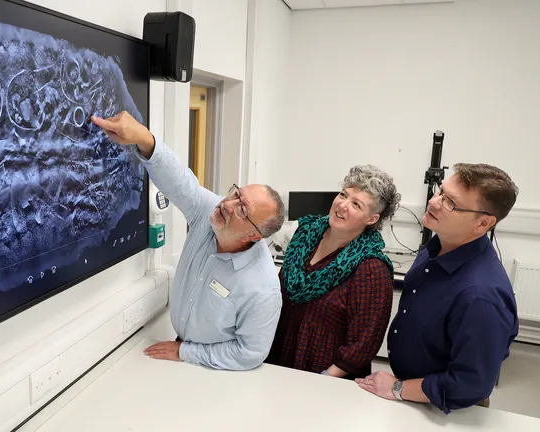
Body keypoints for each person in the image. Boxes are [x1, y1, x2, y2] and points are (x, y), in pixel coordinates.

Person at [91, 111, 286, 370]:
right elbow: (181, 182)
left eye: (242, 210)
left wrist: (186, 352)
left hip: (218, 369)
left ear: (254, 235)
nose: (227, 204)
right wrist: (144, 138)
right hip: (182, 352)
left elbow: (249, 353)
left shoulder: (263, 288)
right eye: (236, 194)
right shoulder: (211, 214)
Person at [357, 163, 519, 414]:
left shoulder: (481, 296)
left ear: (483, 223)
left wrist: (398, 388)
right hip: (415, 393)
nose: (433, 202)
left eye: (450, 203)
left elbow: (469, 384)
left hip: (446, 406)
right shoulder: (440, 245)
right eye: (440, 192)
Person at [265, 165, 400, 380]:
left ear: (371, 219)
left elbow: (364, 342)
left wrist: (325, 378)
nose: (342, 205)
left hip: (325, 378)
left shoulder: (371, 268)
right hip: (277, 361)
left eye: (356, 204)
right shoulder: (304, 234)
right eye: (343, 194)